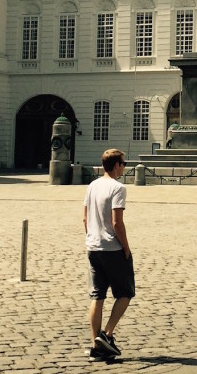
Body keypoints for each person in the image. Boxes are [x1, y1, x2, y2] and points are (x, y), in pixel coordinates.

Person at [84, 149, 134, 362]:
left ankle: (96, 344)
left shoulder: (93, 185)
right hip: (112, 248)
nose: (124, 167)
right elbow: (117, 223)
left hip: (93, 247)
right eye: (123, 163)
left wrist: (93, 238)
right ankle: (107, 333)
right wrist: (126, 247)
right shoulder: (118, 188)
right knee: (125, 293)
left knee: (98, 296)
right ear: (116, 166)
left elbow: (85, 219)